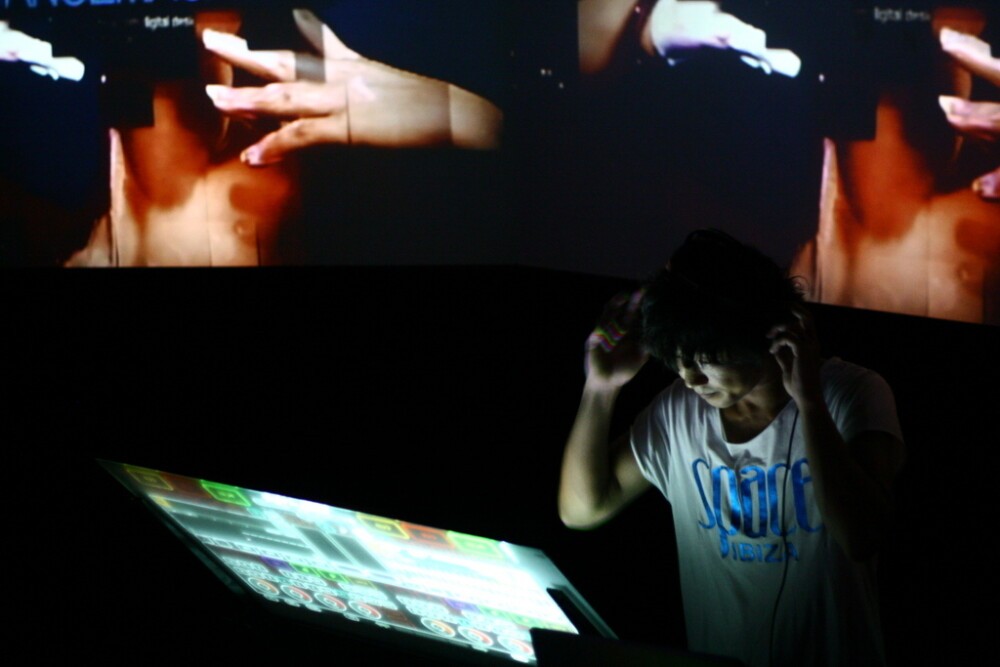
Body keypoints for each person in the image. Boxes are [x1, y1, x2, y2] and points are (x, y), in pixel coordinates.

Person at [558, 230, 905, 667]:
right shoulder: (676, 413)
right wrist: (600, 389)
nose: (690, 377)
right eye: (678, 358)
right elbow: (581, 510)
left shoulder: (852, 394)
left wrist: (810, 403)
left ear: (766, 329)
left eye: (704, 356)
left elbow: (861, 536)